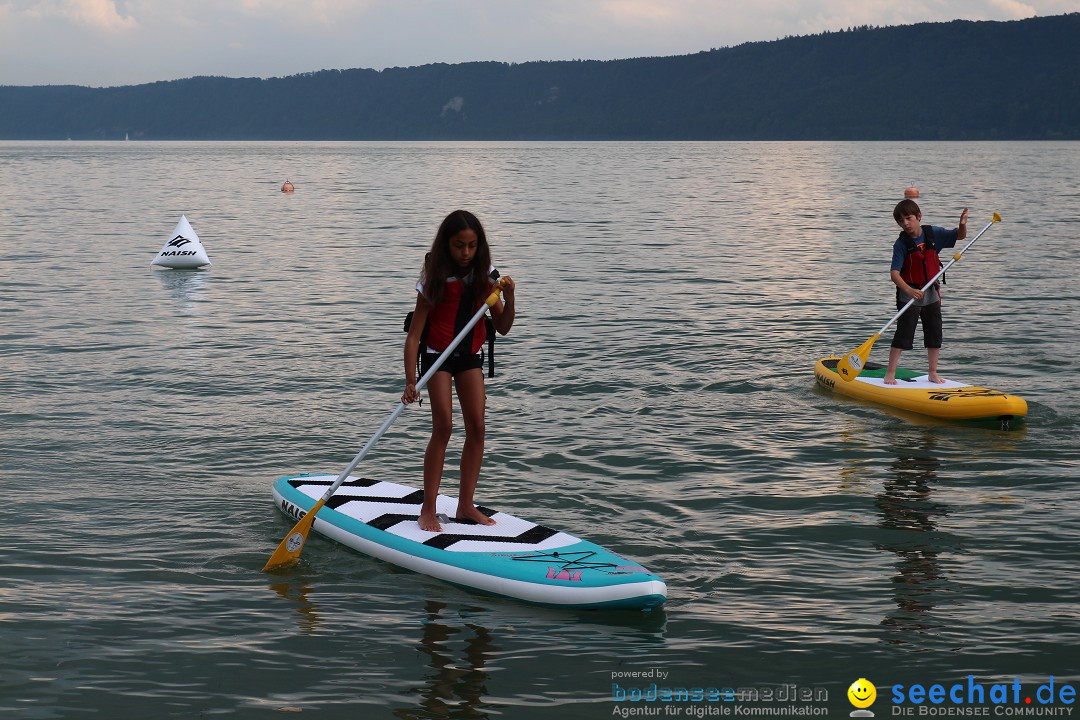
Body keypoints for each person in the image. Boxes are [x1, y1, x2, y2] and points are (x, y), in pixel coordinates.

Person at [402, 210, 516, 532]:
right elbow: (414, 337)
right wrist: (412, 380)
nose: (465, 253)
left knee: (477, 428)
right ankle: (428, 509)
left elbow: (504, 327)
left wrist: (509, 296)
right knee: (444, 427)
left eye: (471, 246)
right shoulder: (433, 278)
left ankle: (466, 506)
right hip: (437, 356)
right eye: (458, 246)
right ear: (446, 245)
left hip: (468, 356)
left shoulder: (487, 277)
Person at [885, 199, 967, 385]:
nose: (905, 223)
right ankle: (890, 372)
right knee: (903, 334)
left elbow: (960, 236)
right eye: (901, 221)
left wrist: (962, 225)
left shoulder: (933, 234)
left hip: (930, 293)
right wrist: (909, 290)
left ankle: (932, 372)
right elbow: (894, 274)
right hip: (909, 295)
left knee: (934, 333)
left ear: (919, 217)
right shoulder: (901, 244)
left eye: (909, 218)